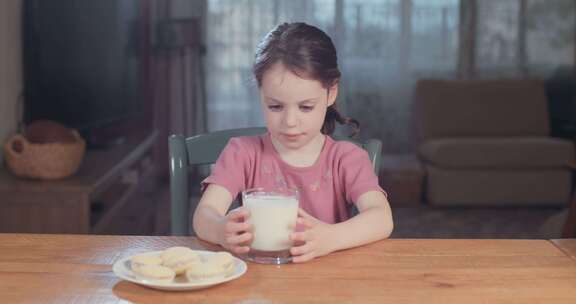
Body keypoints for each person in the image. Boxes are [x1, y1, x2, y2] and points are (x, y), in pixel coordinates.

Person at [193, 22, 393, 263]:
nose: (289, 122)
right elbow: (204, 215)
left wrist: (331, 238)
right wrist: (219, 230)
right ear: (260, 92)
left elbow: (382, 218)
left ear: (331, 93)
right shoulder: (242, 153)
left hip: (327, 285)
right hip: (258, 285)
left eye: (306, 107)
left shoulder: (346, 159)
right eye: (275, 106)